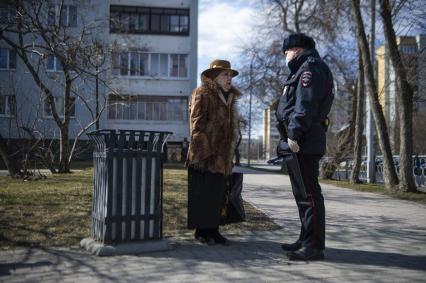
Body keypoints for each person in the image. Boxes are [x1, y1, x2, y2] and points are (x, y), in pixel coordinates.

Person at [275, 33, 334, 260]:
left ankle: (313, 246)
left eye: (286, 52)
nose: (285, 56)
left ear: (297, 50)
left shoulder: (310, 68)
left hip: (303, 141)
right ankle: (305, 237)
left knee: (308, 195)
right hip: (303, 139)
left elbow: (305, 105)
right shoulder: (304, 68)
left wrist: (294, 134)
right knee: (303, 194)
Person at [185, 59, 241, 245]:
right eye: (225, 74)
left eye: (230, 75)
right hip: (205, 154)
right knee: (203, 194)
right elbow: (196, 125)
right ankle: (201, 232)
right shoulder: (202, 93)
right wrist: (203, 153)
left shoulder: (229, 98)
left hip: (222, 157)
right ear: (213, 77)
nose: (229, 78)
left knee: (217, 195)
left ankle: (214, 230)